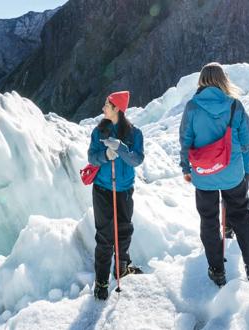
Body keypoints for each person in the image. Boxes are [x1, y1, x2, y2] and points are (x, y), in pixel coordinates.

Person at [179, 63, 249, 287]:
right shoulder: (235, 106)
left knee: (209, 221)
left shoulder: (192, 107)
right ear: (223, 79)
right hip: (233, 173)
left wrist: (186, 168)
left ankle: (217, 270)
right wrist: (240, 163)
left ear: (201, 80)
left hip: (204, 175)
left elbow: (186, 141)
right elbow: (247, 141)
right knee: (241, 217)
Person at [87, 91, 145, 300]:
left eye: (107, 105)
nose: (103, 108)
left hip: (123, 190)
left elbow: (136, 159)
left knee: (124, 230)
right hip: (103, 189)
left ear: (117, 108)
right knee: (104, 236)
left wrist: (119, 148)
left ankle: (121, 267)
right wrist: (104, 155)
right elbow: (91, 157)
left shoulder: (134, 134)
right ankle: (101, 283)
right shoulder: (98, 131)